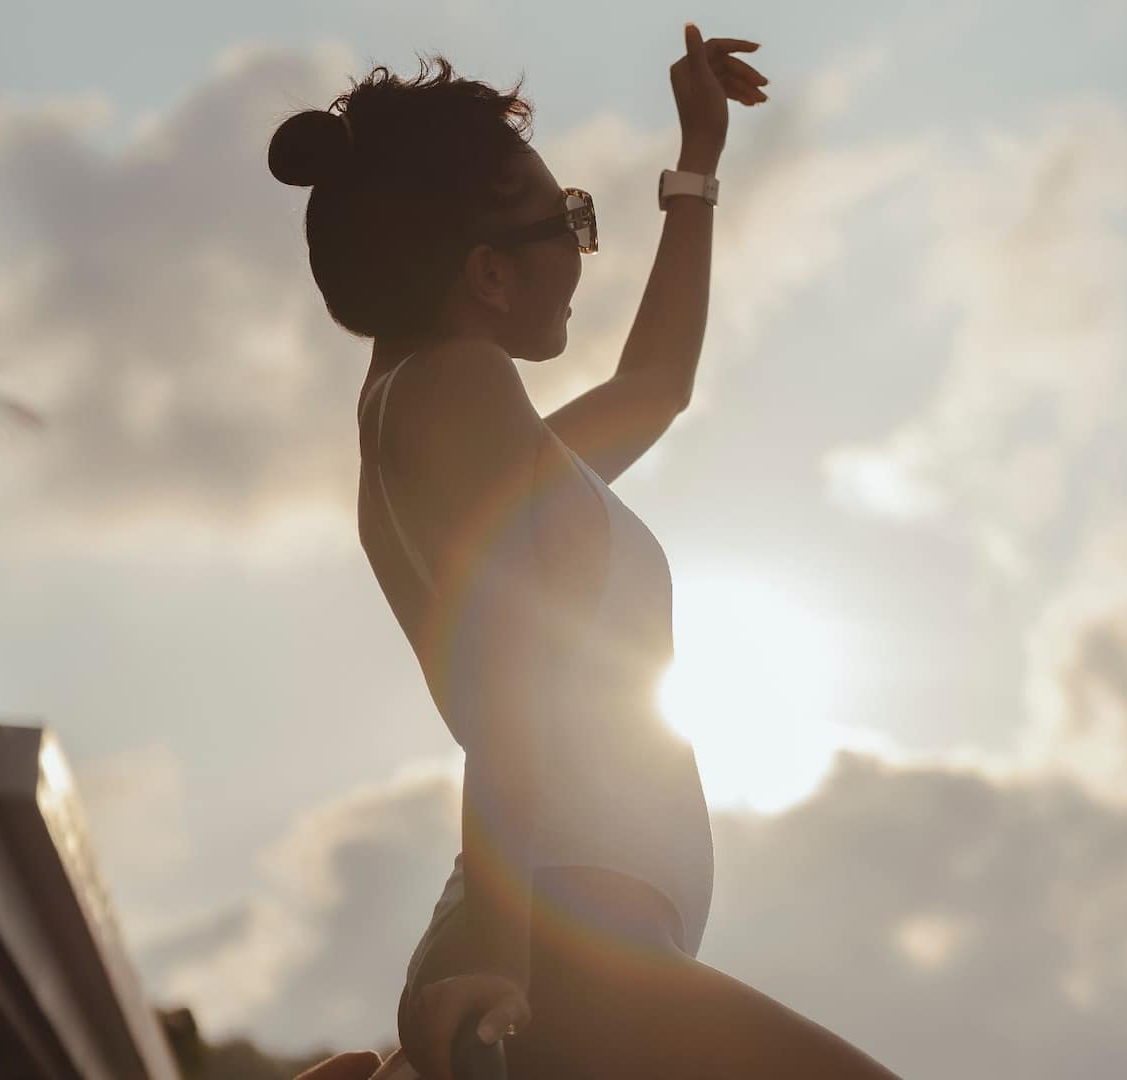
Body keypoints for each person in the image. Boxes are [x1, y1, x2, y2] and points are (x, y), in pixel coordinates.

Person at [268, 22, 903, 1080]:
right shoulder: (452, 391)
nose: (579, 245)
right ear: (489, 273)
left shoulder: (462, 424)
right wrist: (500, 972)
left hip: (568, 943)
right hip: (561, 954)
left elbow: (657, 388)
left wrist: (696, 164)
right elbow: (510, 683)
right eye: (567, 219)